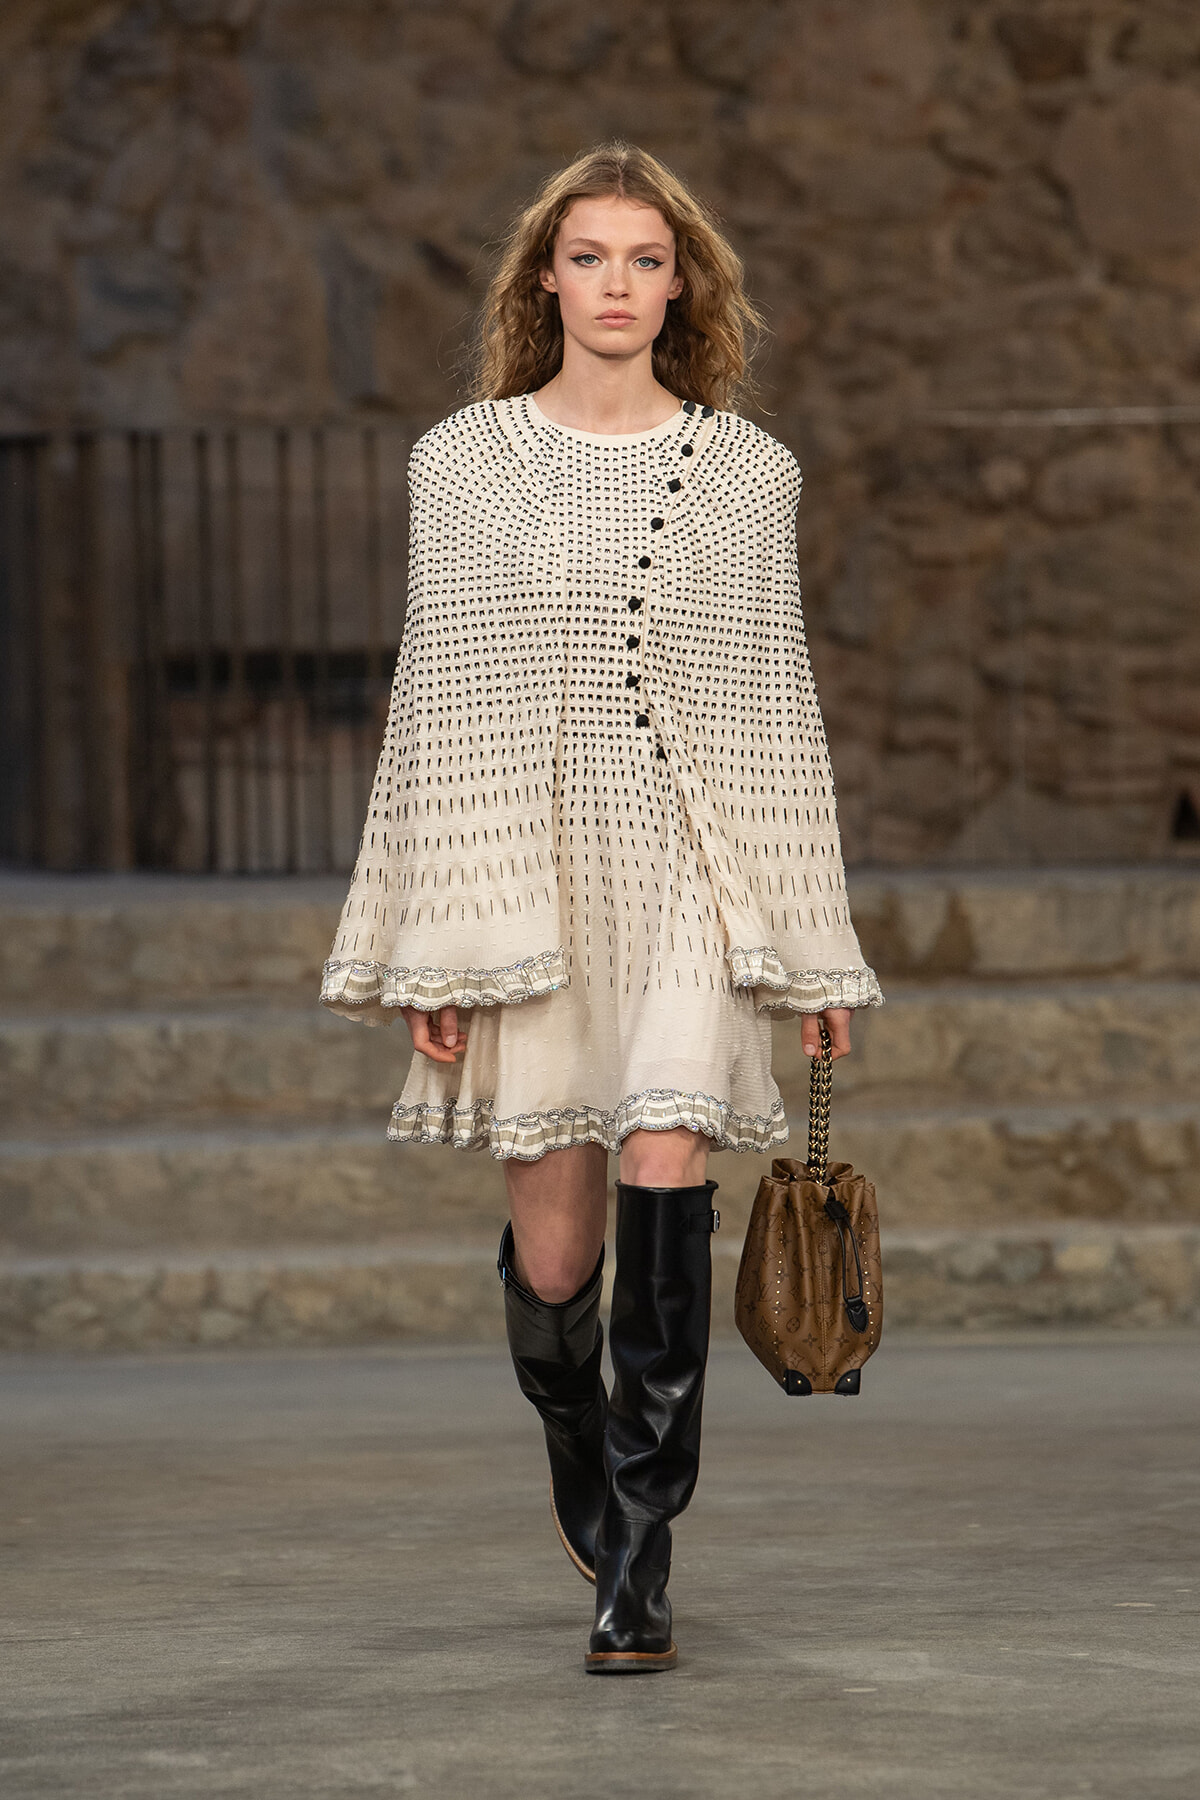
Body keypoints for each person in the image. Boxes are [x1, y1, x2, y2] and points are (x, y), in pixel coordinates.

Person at [320, 141, 883, 1674]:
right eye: (590, 257)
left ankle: (640, 1547)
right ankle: (582, 1441)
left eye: (647, 259)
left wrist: (811, 947)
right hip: (530, 874)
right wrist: (434, 936)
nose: (619, 284)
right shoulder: (466, 461)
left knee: (665, 1158)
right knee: (560, 1262)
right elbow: (437, 703)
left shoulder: (748, 475)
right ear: (545, 280)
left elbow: (778, 716)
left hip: (697, 870)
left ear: (681, 281)